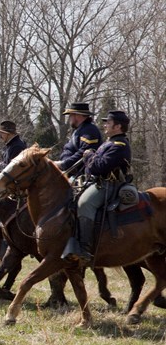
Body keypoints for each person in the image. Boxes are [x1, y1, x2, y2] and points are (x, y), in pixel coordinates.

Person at [62, 110, 132, 265]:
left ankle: (84, 248)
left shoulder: (119, 145)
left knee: (84, 204)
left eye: (108, 122)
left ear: (118, 126)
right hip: (97, 182)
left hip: (108, 185)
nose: (105, 125)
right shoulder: (109, 143)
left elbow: (98, 167)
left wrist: (88, 156)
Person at [55, 102, 102, 176]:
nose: (69, 118)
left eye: (71, 115)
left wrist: (64, 164)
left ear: (78, 115)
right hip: (71, 171)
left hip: (80, 174)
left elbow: (83, 153)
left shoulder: (89, 130)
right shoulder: (80, 129)